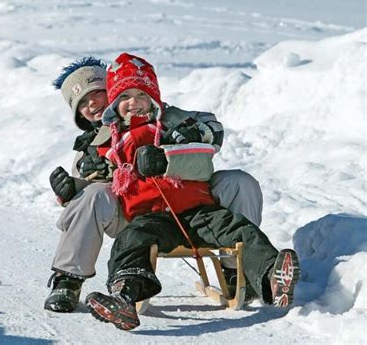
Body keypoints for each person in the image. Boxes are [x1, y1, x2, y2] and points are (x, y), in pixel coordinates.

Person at [85, 53, 300, 331]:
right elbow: (92, 175)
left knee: (241, 230)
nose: (134, 103)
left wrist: (174, 150)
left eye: (141, 94)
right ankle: (125, 294)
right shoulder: (110, 140)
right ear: (114, 104)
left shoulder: (174, 124)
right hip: (152, 217)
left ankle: (271, 277)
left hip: (198, 210)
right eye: (125, 97)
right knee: (132, 240)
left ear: (153, 97)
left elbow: (208, 142)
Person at [44, 57, 263, 313]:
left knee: (239, 181)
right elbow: (87, 204)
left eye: (96, 93)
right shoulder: (89, 148)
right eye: (81, 103)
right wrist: (71, 189)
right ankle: (68, 280)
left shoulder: (166, 116)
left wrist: (184, 138)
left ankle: (239, 269)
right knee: (93, 194)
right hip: (134, 216)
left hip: (193, 205)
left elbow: (212, 130)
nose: (91, 104)